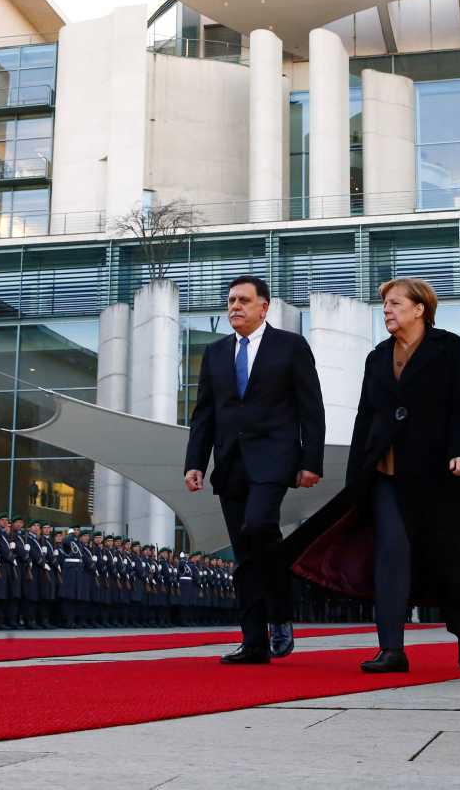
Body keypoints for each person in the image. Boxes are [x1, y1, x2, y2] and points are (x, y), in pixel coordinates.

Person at [287, 277, 460, 673]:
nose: (387, 310)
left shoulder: (450, 348)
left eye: (395, 303)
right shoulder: (377, 357)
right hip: (384, 473)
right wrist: (355, 477)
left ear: (420, 308)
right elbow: (366, 417)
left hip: (437, 473)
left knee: (448, 560)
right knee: (390, 555)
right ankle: (392, 649)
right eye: (385, 305)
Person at [184, 275, 326, 665]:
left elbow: (311, 407)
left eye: (244, 300)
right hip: (229, 463)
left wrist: (311, 461)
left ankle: (279, 613)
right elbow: (204, 415)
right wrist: (195, 462)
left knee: (259, 525)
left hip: (274, 459)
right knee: (245, 555)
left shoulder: (291, 347)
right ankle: (254, 643)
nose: (235, 306)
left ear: (264, 307)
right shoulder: (214, 354)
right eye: (230, 300)